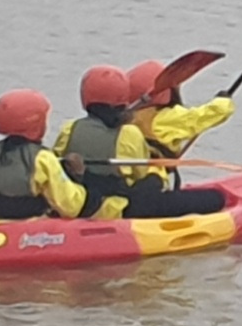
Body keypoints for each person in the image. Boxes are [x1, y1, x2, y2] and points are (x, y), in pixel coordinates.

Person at [0, 89, 88, 221]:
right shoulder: (43, 158)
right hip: (27, 229)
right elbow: (71, 208)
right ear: (36, 124)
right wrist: (76, 177)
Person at [123, 59, 231, 216]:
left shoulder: (126, 118)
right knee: (218, 198)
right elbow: (203, 116)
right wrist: (223, 101)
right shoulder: (164, 118)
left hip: (130, 188)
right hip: (155, 190)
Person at [51, 64, 148, 219]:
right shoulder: (130, 133)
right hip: (115, 211)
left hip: (79, 204)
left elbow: (55, 165)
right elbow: (141, 174)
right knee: (152, 182)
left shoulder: (70, 128)